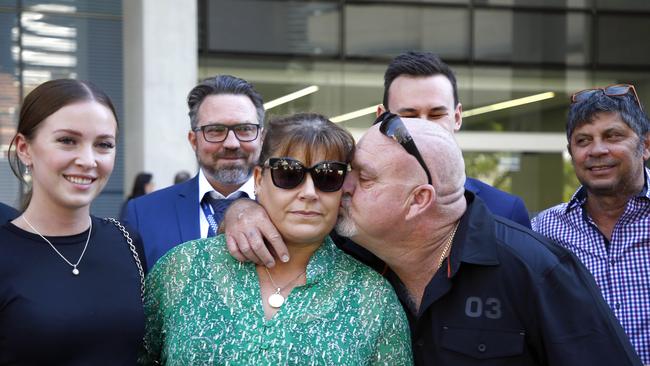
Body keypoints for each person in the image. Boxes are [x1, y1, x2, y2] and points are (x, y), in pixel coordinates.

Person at [224, 115, 642, 365]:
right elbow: (289, 189)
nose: (340, 188)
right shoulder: (351, 250)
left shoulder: (533, 270)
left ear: (418, 201)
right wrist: (241, 210)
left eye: (362, 177)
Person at [140, 113, 412, 365]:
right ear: (258, 179)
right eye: (288, 173)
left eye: (327, 176)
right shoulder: (183, 268)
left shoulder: (373, 298)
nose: (308, 192)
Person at [0, 79, 146, 364]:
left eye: (103, 144)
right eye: (67, 141)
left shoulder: (126, 242)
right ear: (24, 148)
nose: (88, 160)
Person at [532, 84, 650, 364]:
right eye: (583, 141)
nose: (597, 150)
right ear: (571, 153)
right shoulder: (543, 231)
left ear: (645, 146)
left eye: (613, 136)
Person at [378, 51, 531, 228]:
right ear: (382, 119)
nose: (424, 127)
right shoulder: (357, 206)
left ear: (457, 118)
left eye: (437, 114)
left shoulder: (504, 211)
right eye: (409, 116)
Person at [125, 75, 263, 269]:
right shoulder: (143, 214)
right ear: (193, 141)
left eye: (244, 129)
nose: (231, 143)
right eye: (215, 130)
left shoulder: (290, 211)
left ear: (261, 138)